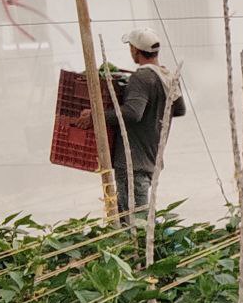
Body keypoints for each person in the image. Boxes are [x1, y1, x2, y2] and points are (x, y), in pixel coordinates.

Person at [77, 29, 185, 224]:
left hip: (132, 162)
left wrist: (96, 116)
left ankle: (139, 251)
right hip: (152, 157)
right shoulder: (167, 76)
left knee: (135, 222)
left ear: (135, 50)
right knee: (134, 216)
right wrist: (155, 110)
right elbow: (179, 109)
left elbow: (133, 113)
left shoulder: (141, 78)